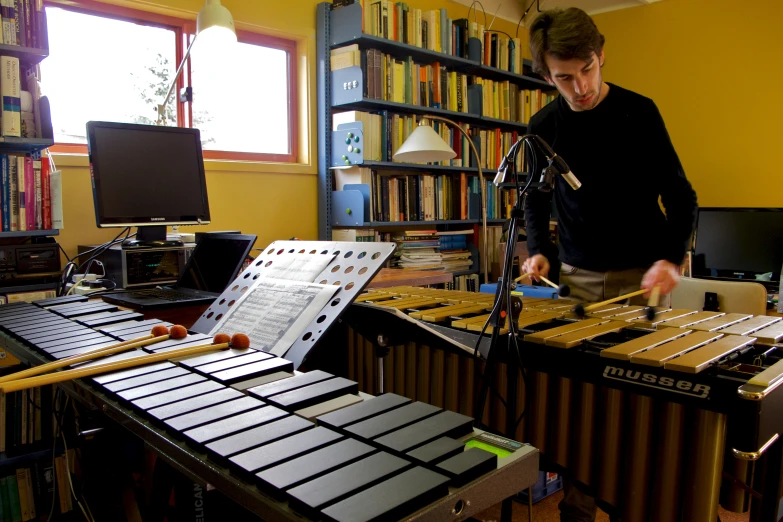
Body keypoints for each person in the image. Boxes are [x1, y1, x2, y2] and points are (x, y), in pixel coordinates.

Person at [520, 7, 698, 522]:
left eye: (589, 69)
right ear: (547, 76)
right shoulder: (544, 126)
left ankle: (632, 502)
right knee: (583, 403)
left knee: (638, 404)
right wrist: (538, 251)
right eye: (564, 78)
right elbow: (535, 200)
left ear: (602, 55)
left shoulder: (639, 113)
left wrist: (669, 257)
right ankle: (578, 504)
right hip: (576, 278)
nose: (580, 87)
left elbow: (682, 197)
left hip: (641, 278)